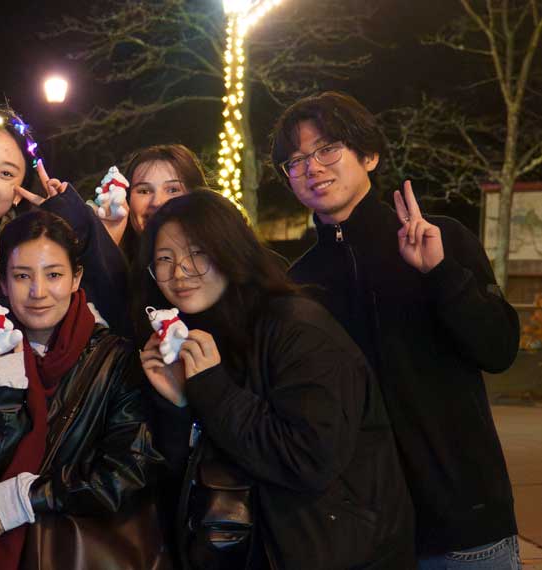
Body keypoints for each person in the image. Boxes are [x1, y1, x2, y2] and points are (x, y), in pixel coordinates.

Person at [272, 91, 522, 567]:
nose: (312, 167)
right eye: (296, 160)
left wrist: (442, 275)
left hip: (464, 525)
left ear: (368, 154)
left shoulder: (439, 238)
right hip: (363, 536)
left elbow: (499, 349)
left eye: (327, 149)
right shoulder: (299, 282)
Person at [135, 190, 414, 568]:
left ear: (230, 251)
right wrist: (179, 406)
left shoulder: (298, 327)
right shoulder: (193, 338)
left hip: (337, 554)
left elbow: (308, 459)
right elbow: (192, 476)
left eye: (196, 253)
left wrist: (212, 389)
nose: (179, 272)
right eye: (164, 259)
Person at [0, 210, 165, 570]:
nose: (38, 292)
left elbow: (128, 471)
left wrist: (27, 499)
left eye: (54, 275)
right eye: (22, 276)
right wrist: (6, 393)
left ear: (77, 278)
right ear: (2, 280)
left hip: (79, 554)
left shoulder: (115, 359)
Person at [0, 105, 130, 332]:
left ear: (19, 194)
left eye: (6, 174)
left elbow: (116, 302)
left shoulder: (32, 249)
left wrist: (74, 223)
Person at [102, 144, 208, 263]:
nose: (157, 202)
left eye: (172, 190)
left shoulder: (219, 264)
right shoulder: (109, 268)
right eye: (144, 191)